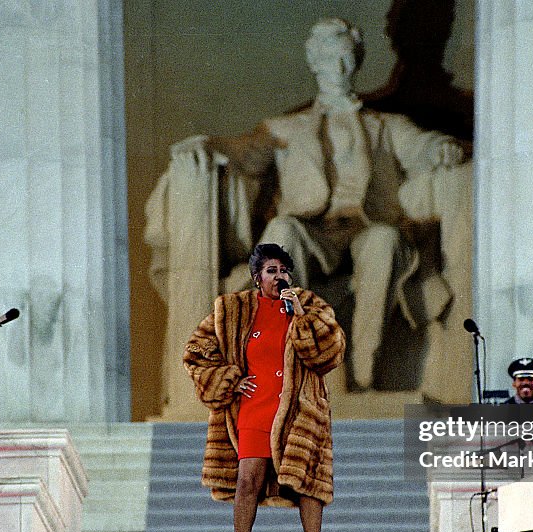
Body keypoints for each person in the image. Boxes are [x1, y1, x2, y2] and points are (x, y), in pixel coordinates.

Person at [170, 18, 463, 392]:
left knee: (385, 241)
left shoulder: (385, 126)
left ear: (356, 62)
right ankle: (289, 355)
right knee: (281, 231)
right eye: (328, 58)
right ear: (313, 62)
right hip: (311, 232)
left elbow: (423, 146)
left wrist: (441, 148)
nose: (338, 69)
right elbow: (245, 151)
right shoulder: (285, 128)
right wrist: (207, 145)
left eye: (345, 58)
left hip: (365, 227)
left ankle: (364, 368)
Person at [184, 243, 345, 532]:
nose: (279, 277)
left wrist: (300, 315)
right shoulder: (232, 310)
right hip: (255, 408)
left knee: (309, 484)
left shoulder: (310, 306)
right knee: (247, 482)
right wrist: (228, 379)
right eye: (272, 271)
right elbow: (195, 352)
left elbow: (329, 354)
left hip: (300, 410)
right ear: (257, 277)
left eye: (284, 271)